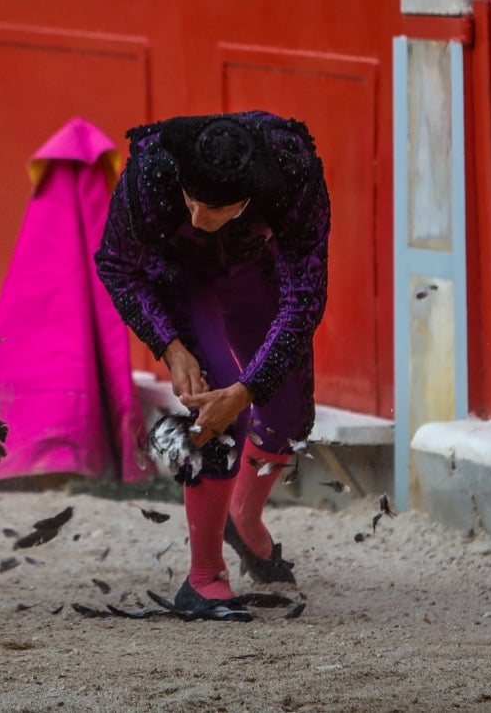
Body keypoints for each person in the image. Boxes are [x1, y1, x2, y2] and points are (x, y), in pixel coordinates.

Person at [96, 112, 330, 619]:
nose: (199, 217)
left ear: (250, 196)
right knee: (213, 404)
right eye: (193, 200)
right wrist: (171, 346)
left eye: (216, 207)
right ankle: (203, 578)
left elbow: (304, 296)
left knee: (286, 410)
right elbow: (116, 263)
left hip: (253, 265)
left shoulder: (291, 173)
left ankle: (243, 516)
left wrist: (249, 389)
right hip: (179, 274)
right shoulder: (156, 169)